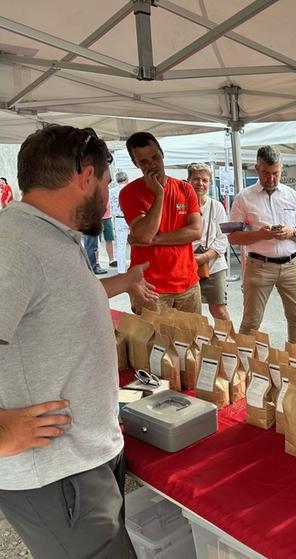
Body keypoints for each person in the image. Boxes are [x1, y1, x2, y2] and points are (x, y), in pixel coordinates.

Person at [0, 125, 157, 558]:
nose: (107, 196)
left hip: (82, 463)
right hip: (55, 477)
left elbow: (54, 303)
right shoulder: (15, 245)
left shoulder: (49, 235)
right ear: (85, 176)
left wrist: (122, 282)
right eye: (107, 182)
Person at [229, 145, 296, 343]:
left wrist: (291, 232)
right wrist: (259, 235)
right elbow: (233, 237)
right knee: (251, 322)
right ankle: (242, 366)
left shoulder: (293, 196)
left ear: (281, 168)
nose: (271, 179)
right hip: (259, 266)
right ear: (257, 168)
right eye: (266, 173)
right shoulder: (243, 198)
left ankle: (295, 365)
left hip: (291, 266)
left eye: (275, 173)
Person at [120, 132, 203, 314]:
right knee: (154, 341)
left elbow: (196, 231)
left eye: (155, 157)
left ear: (162, 153)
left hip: (187, 282)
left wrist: (154, 240)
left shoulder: (185, 188)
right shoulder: (129, 193)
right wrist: (159, 195)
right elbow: (144, 234)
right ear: (135, 164)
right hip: (149, 286)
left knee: (192, 340)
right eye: (144, 162)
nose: (152, 165)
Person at [188, 163, 230, 321]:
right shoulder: (181, 206)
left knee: (219, 310)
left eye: (205, 180)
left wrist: (205, 257)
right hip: (187, 264)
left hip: (213, 265)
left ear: (210, 183)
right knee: (190, 311)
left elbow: (222, 238)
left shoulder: (217, 206)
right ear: (188, 180)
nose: (200, 183)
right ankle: (197, 343)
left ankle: (228, 342)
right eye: (196, 179)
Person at [111, 171, 129, 274]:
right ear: (126, 179)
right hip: (130, 218)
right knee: (135, 243)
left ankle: (121, 270)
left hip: (118, 218)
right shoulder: (129, 189)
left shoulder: (112, 191)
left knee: (120, 246)